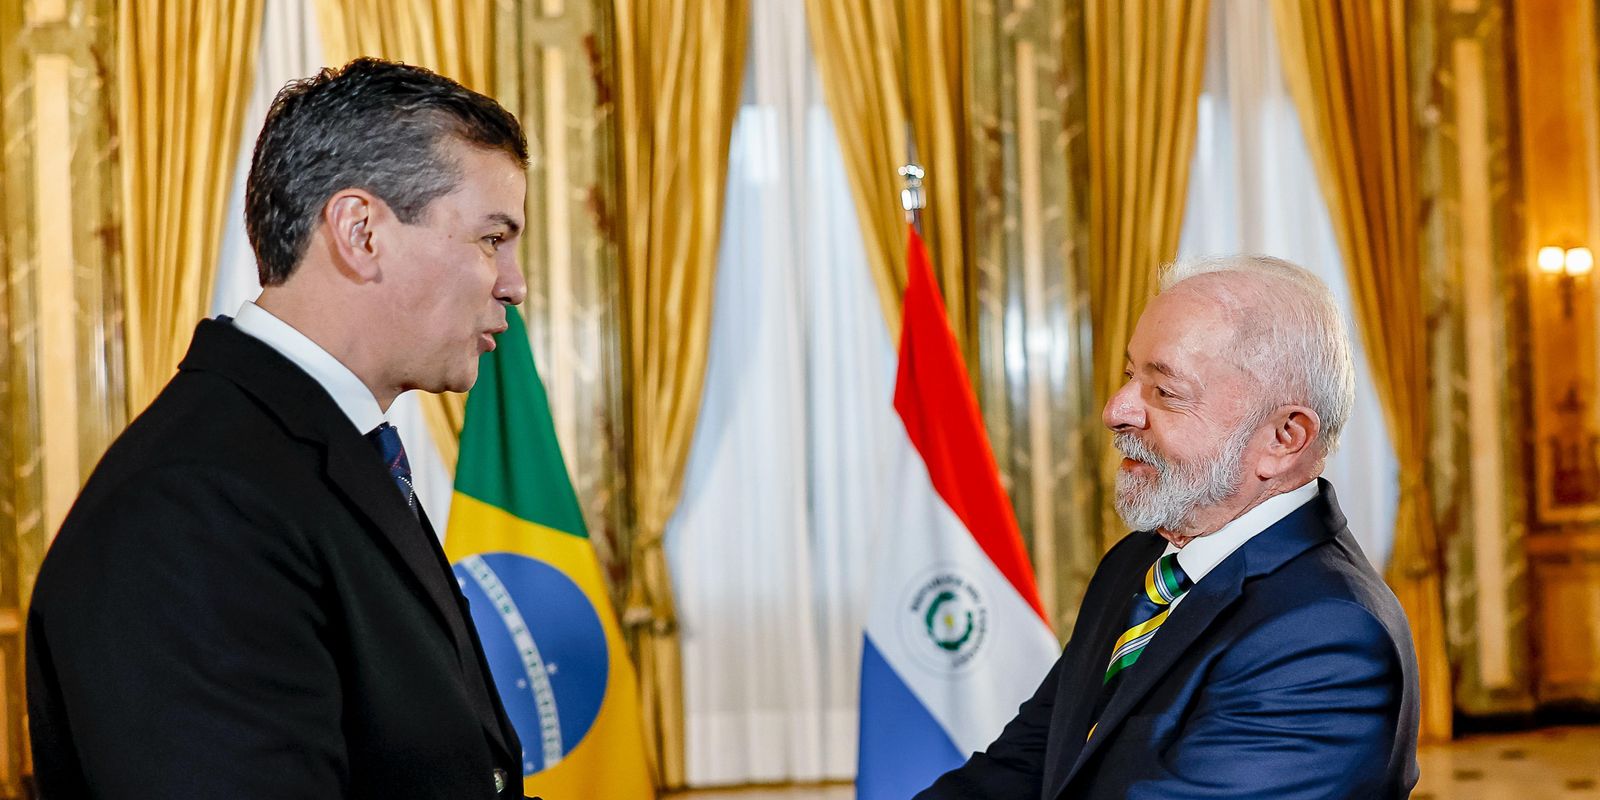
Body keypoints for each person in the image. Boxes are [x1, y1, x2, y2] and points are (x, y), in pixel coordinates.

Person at [27, 58, 537, 799]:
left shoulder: (323, 450)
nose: (514, 284)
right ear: (361, 232)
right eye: (492, 238)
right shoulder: (191, 505)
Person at [918, 255, 1420, 799]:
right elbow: (1024, 764)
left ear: (1284, 437)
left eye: (1166, 391)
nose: (1116, 410)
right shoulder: (1136, 562)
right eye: (1130, 376)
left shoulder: (1328, 633)